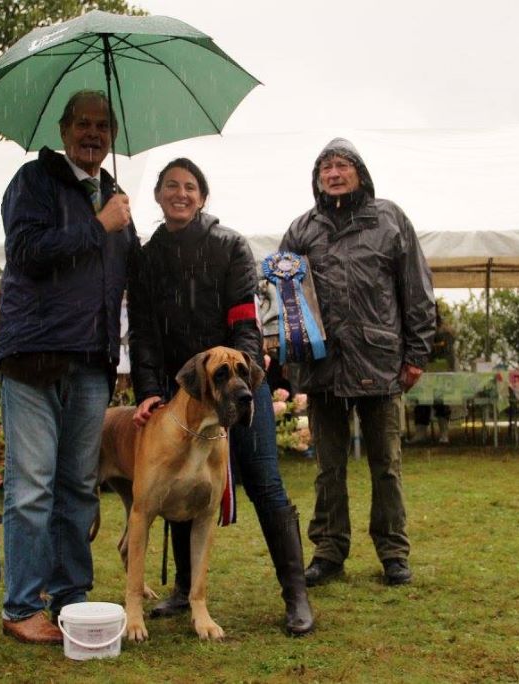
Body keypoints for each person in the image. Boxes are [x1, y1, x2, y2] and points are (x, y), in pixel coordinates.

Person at [127, 158, 314, 636]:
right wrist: (149, 390)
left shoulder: (230, 246)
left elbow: (245, 322)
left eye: (190, 187)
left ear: (203, 197)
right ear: (159, 196)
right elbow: (144, 333)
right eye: (172, 186)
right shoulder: (146, 258)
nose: (181, 194)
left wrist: (244, 382)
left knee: (264, 483)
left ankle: (295, 595)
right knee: (174, 483)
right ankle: (184, 591)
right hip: (183, 391)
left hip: (236, 382)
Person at [0, 90, 138, 644]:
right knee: (32, 485)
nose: (93, 133)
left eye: (103, 125)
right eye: (83, 123)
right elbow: (26, 250)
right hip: (33, 357)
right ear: (62, 129)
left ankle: (70, 597)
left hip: (91, 361)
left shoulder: (115, 197)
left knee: (79, 485)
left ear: (113, 136)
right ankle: (22, 606)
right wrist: (99, 224)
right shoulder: (33, 182)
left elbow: (130, 275)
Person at [279, 138, 435, 587]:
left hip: (381, 361)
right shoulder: (301, 229)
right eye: (325, 166)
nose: (333, 172)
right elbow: (285, 299)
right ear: (317, 178)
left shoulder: (390, 219)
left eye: (342, 164)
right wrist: (293, 354)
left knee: (386, 464)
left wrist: (417, 355)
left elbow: (417, 290)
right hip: (324, 366)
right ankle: (328, 552)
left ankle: (393, 552)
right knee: (329, 465)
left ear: (360, 173)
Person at [410, 307, 455, 445]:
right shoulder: (419, 331)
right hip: (423, 374)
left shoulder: (445, 332)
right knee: (421, 402)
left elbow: (448, 357)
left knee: (441, 402)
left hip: (441, 375)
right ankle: (420, 434)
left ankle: (444, 434)